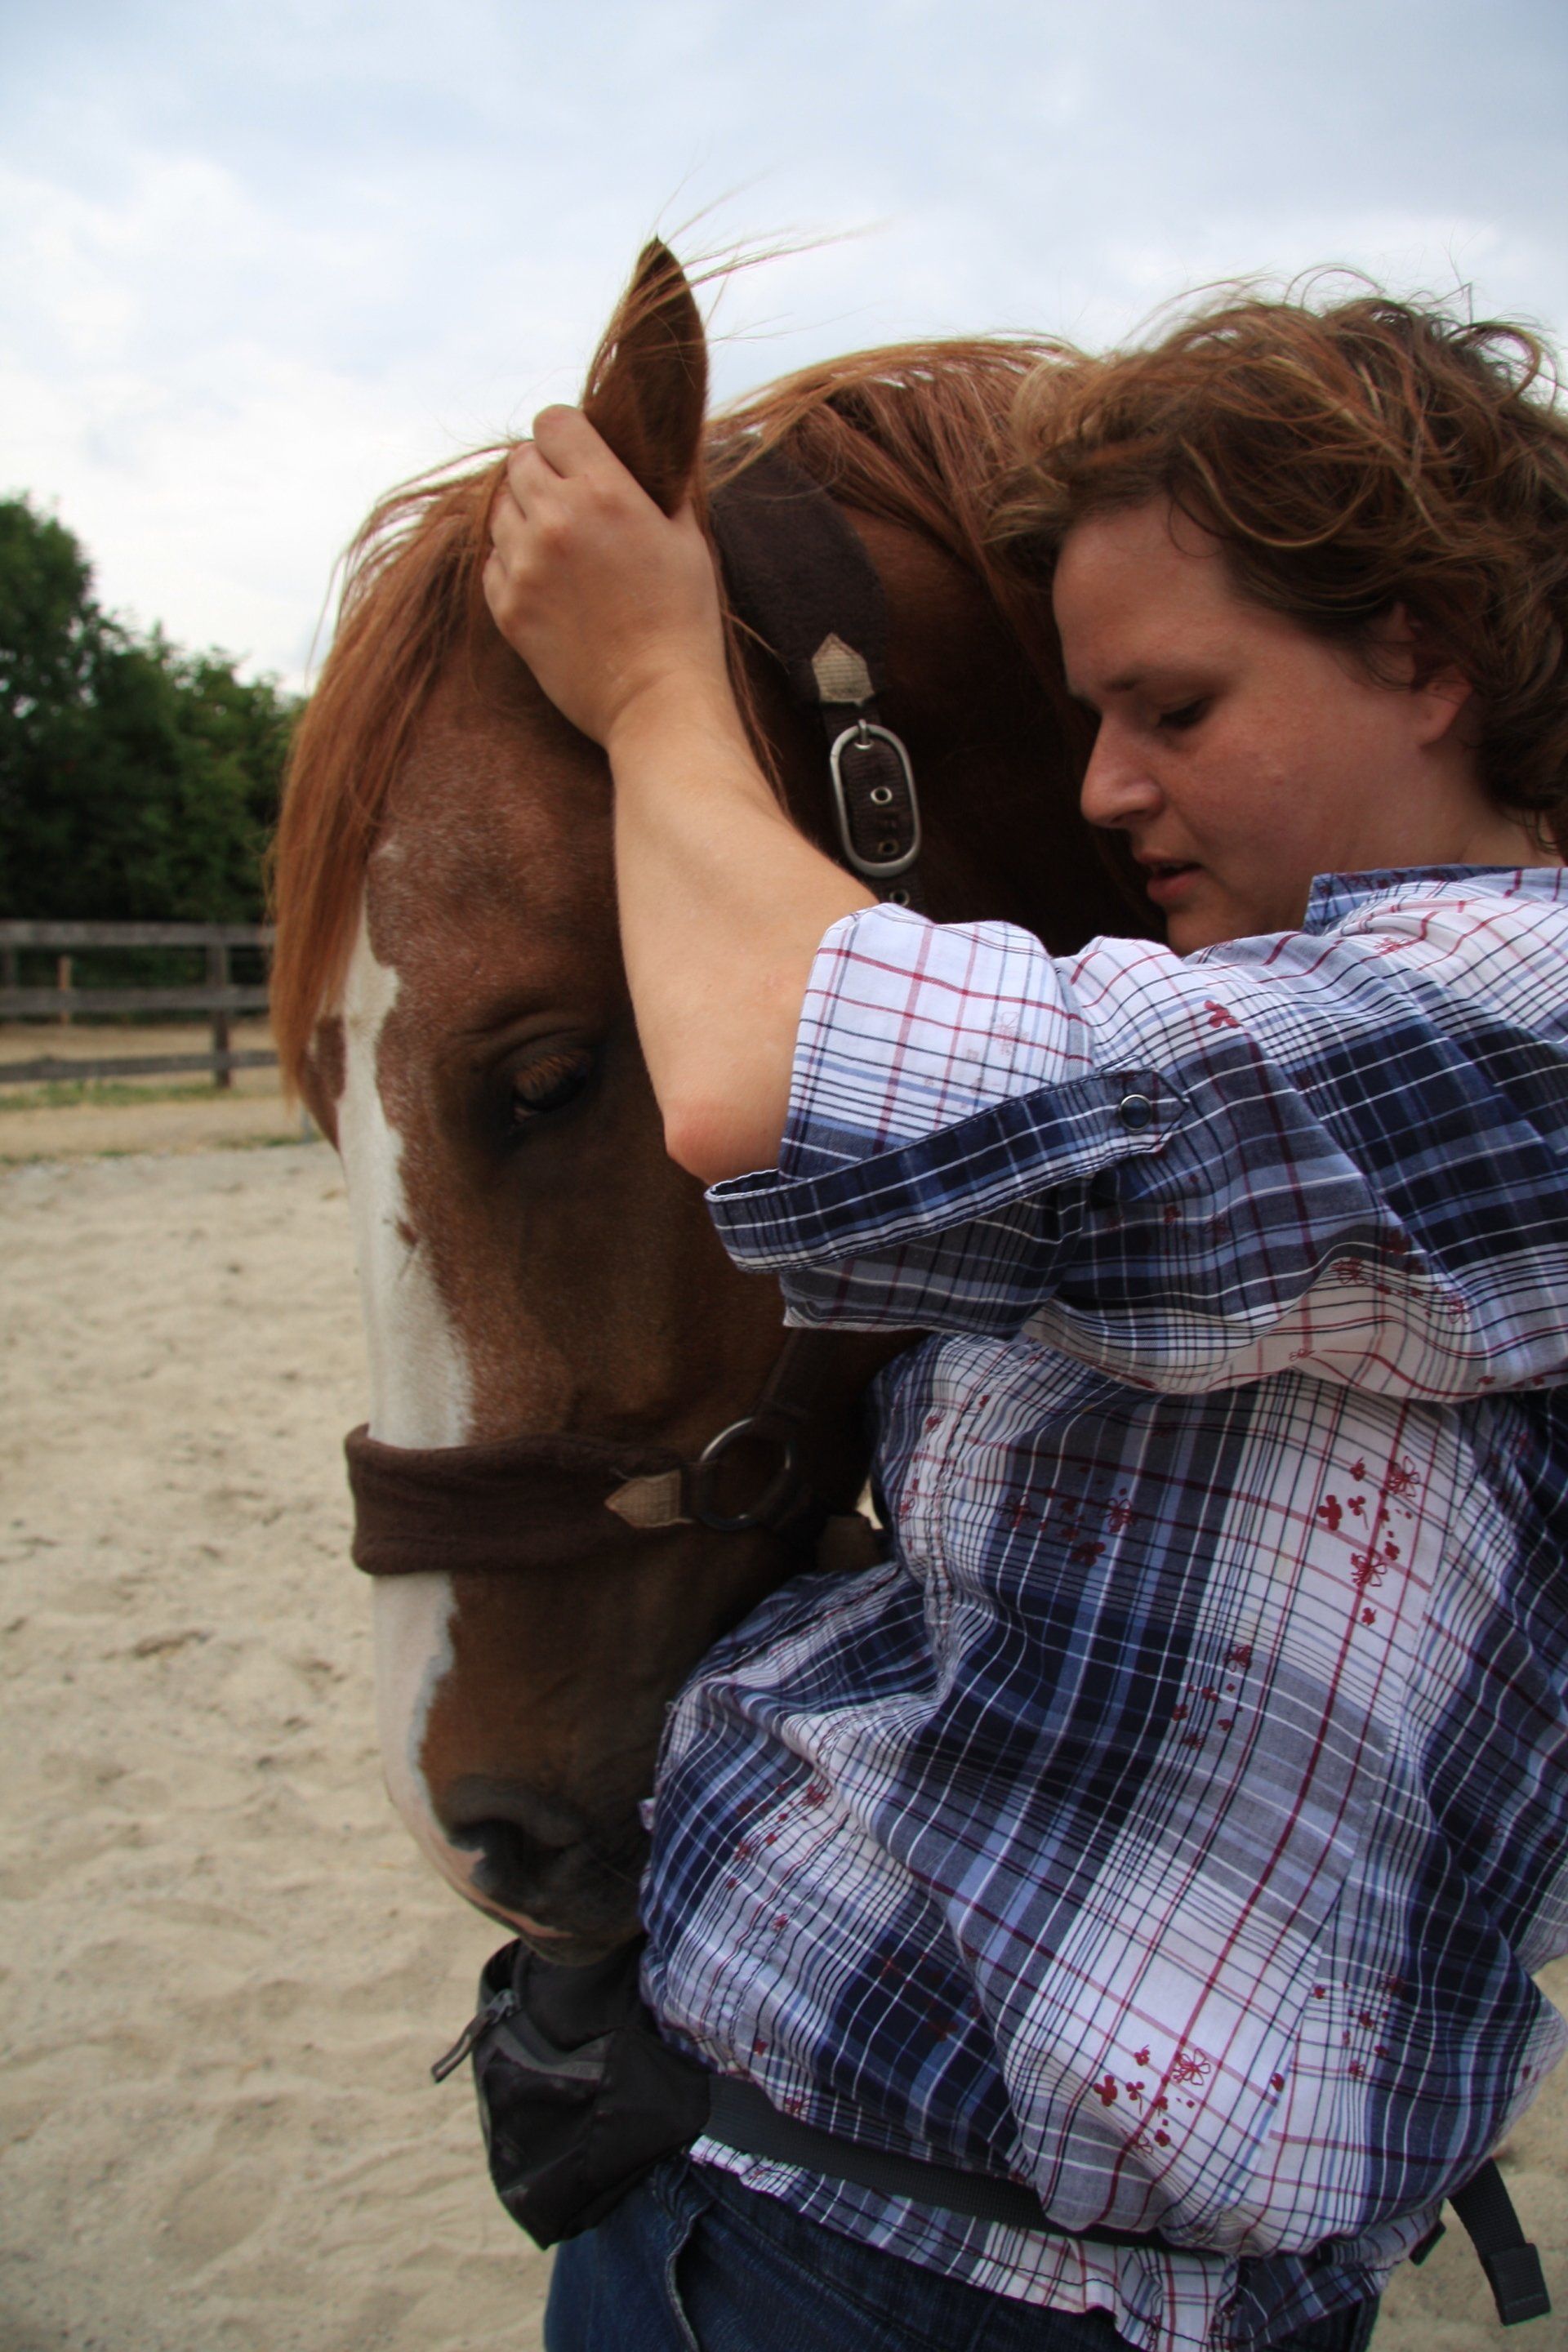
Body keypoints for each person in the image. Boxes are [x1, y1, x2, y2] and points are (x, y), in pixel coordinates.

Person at [482, 289, 1568, 2352]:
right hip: (723, 2165)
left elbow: (776, 1076)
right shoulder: (1245, 1013)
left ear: (1421, 655)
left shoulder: (1527, 1030)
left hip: (991, 2292)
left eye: (1173, 706)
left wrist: (647, 685)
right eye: (1087, 717)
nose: (1101, 789)